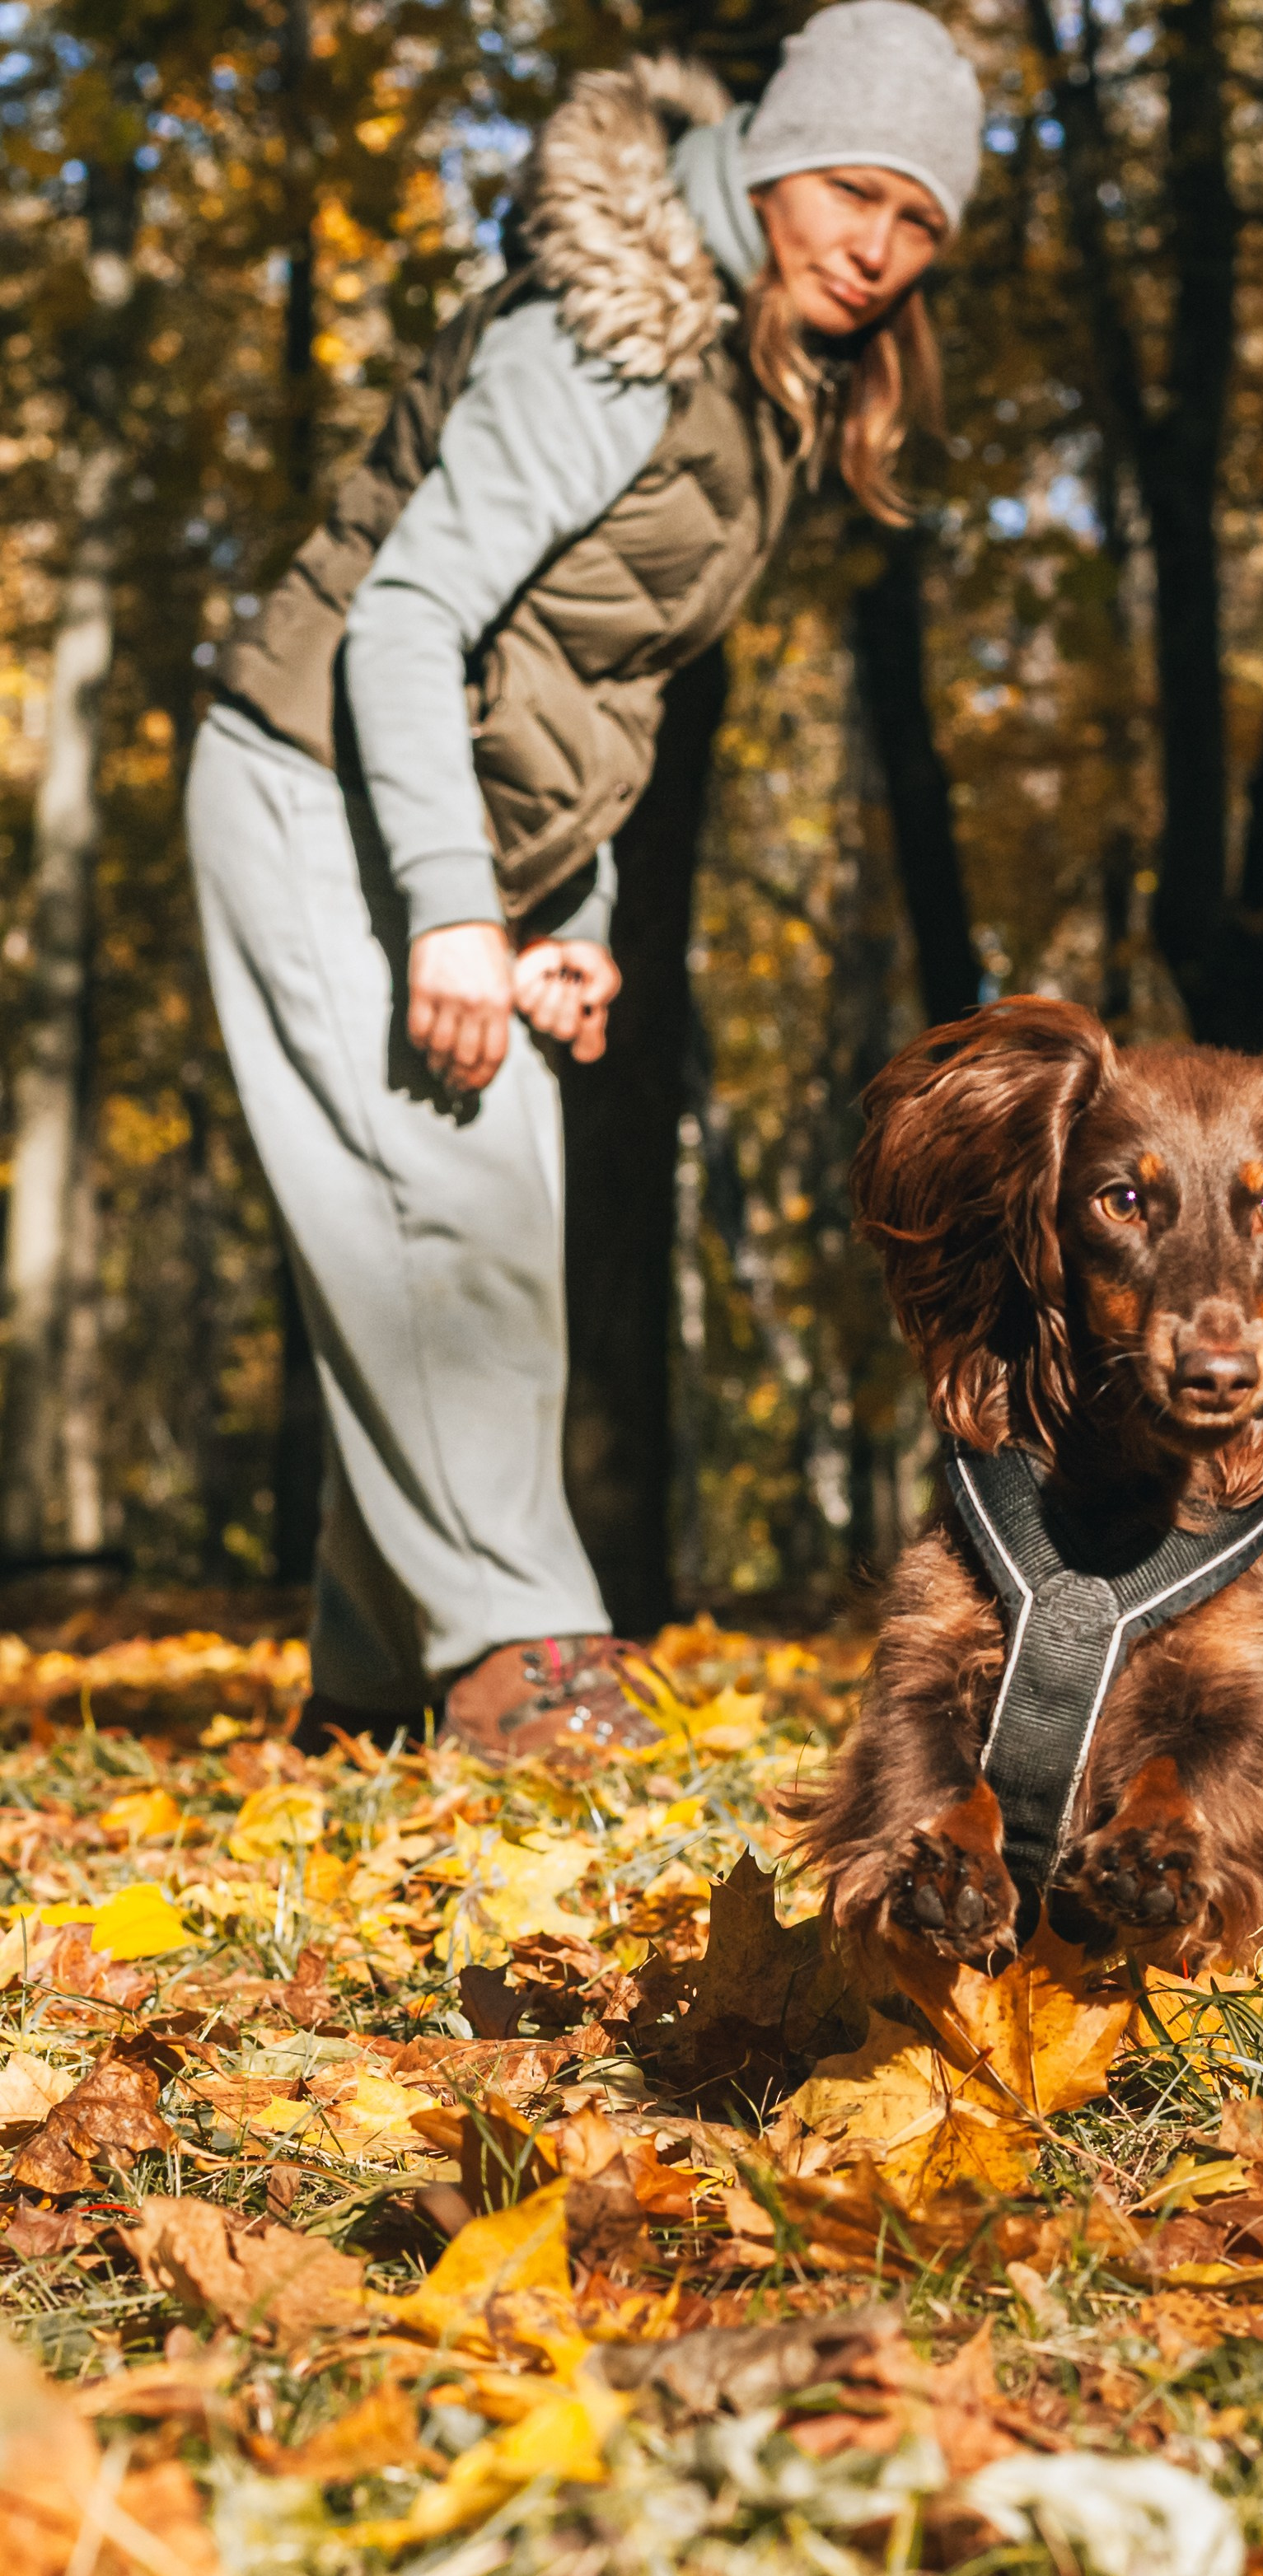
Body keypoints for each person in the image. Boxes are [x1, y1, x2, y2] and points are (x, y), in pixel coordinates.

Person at [187, 2, 981, 1761]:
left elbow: (585, 681)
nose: (876, 245)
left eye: (919, 220)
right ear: (771, 161)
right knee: (442, 1233)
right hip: (316, 782)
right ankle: (521, 1657)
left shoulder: (762, 381)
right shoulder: (620, 332)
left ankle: (375, 1697)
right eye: (853, 190)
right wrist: (455, 908)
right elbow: (408, 621)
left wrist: (565, 920)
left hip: (454, 835)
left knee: (489, 1247)